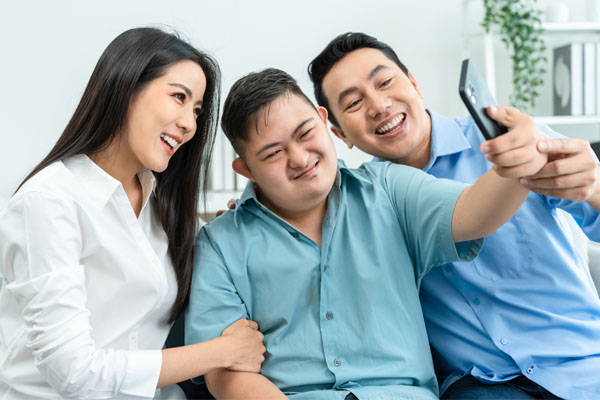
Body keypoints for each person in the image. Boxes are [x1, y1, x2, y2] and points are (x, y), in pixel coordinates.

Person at [184, 67, 547, 400]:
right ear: (245, 169)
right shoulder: (220, 243)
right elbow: (224, 373)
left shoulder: (388, 189)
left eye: (305, 133)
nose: (298, 157)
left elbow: (473, 213)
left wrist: (521, 162)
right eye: (274, 153)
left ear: (325, 122)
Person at [307, 32, 600, 399]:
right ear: (339, 133)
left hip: (582, 364)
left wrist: (594, 186)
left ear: (414, 83)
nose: (379, 105)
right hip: (480, 383)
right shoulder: (361, 204)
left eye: (386, 82)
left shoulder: (513, 141)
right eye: (353, 103)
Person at [0, 27, 265, 399]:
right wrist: (220, 352)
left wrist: (240, 223)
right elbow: (74, 374)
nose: (190, 124)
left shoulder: (164, 203)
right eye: (179, 97)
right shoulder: (49, 201)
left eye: (197, 110)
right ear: (125, 88)